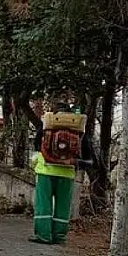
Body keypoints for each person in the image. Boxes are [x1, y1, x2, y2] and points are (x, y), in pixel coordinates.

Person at [30, 103, 86, 245]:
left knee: (44, 204)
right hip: (67, 173)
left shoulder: (48, 124)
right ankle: (59, 235)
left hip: (45, 170)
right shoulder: (77, 128)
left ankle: (44, 235)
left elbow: (37, 144)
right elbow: (84, 151)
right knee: (63, 205)